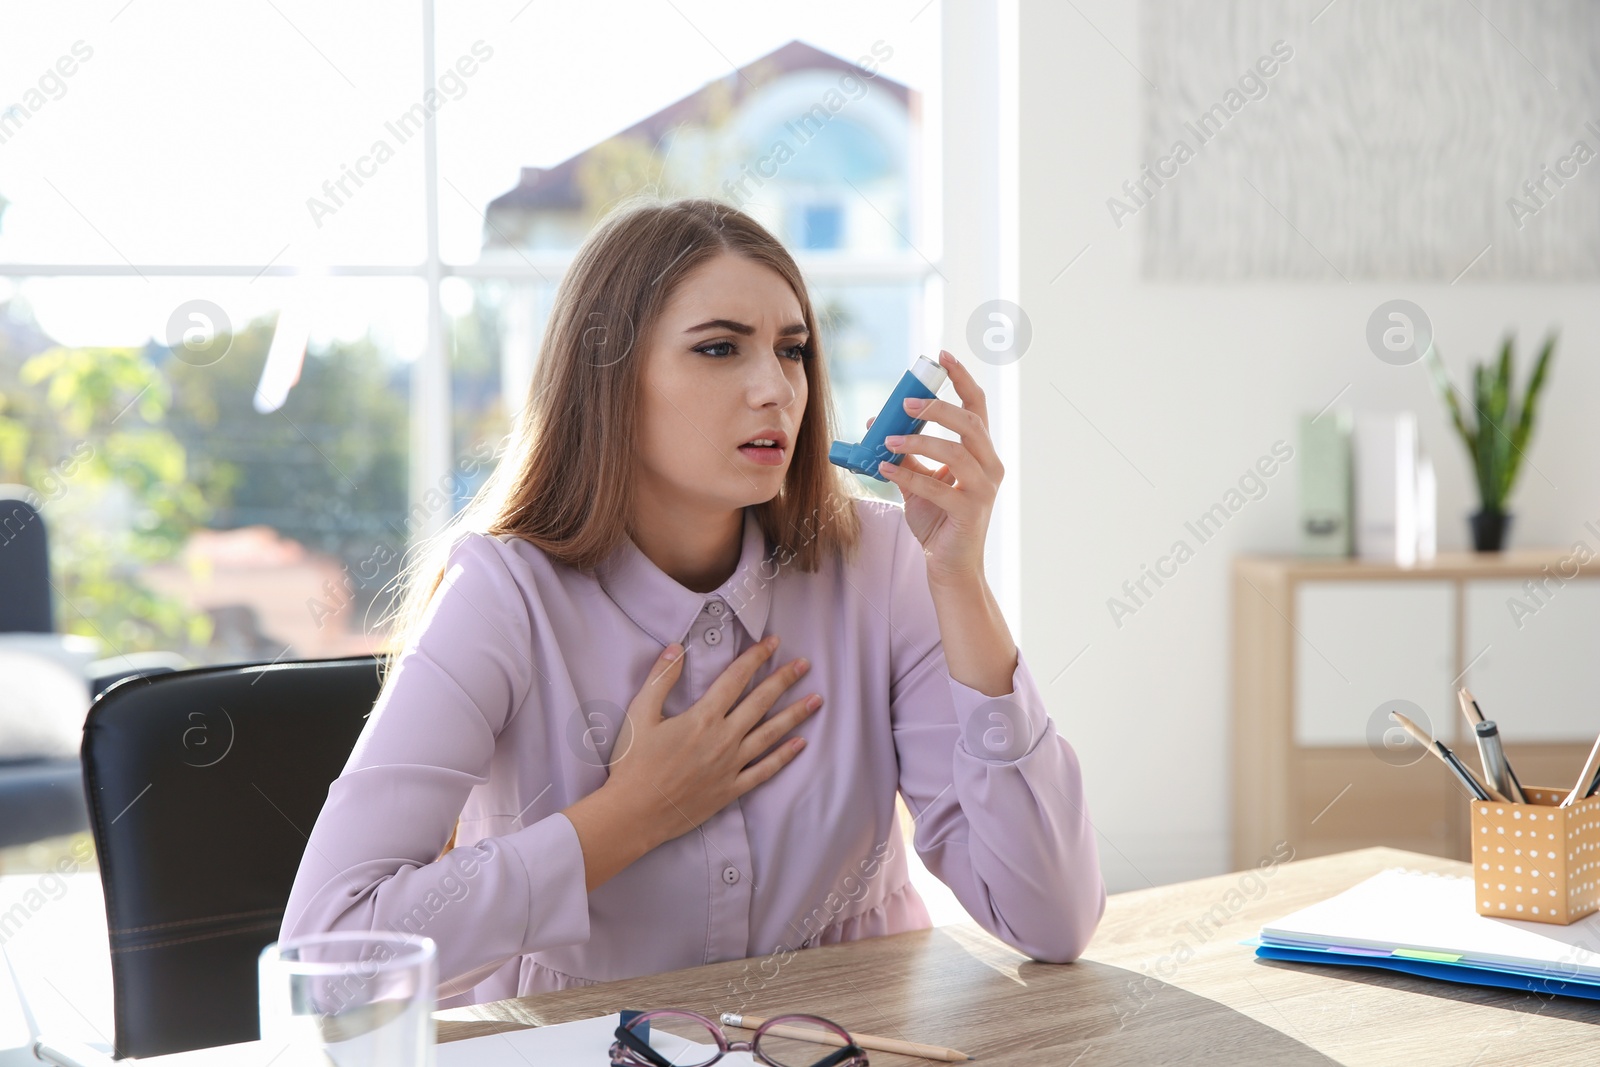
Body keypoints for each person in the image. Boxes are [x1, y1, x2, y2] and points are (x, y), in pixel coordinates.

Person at [279, 196, 1105, 1008]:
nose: (776, 389)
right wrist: (630, 816)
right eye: (719, 349)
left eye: (791, 350)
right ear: (607, 381)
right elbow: (329, 963)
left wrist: (960, 580)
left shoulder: (888, 565)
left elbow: (1052, 919)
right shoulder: (502, 598)